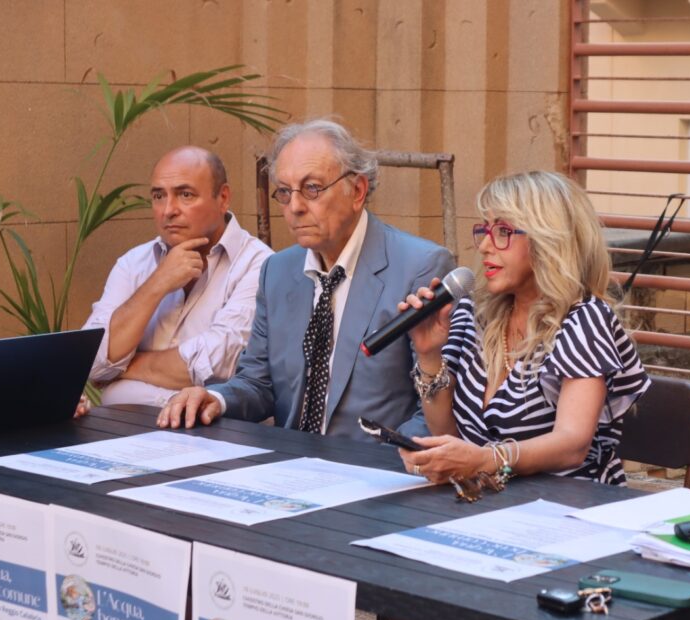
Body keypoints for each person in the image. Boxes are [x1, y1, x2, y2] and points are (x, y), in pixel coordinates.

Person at [390, 170, 650, 620]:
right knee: (408, 589)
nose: (487, 245)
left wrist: (486, 459)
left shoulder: (584, 320)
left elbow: (573, 444)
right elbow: (450, 432)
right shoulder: (472, 317)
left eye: (505, 231)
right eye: (483, 230)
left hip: (568, 532)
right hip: (488, 517)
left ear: (550, 240)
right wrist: (428, 355)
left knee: (430, 589)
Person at [158, 119, 454, 443]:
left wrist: (384, 461)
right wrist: (216, 398)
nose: (295, 207)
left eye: (312, 189)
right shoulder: (277, 271)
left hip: (376, 473)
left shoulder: (420, 265)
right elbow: (259, 385)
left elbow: (436, 411)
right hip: (289, 468)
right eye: (284, 192)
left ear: (357, 191)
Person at [82, 147, 272, 408]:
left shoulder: (260, 265)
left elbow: (219, 365)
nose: (168, 210)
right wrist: (158, 284)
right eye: (159, 196)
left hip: (215, 438)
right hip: (124, 438)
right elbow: (90, 361)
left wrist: (121, 367)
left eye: (185, 194)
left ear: (223, 198)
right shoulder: (134, 264)